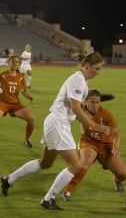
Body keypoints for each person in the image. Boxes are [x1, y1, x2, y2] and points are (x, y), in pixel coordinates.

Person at [1, 52, 111, 211]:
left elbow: (78, 109)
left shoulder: (82, 83)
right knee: (75, 164)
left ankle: (8, 179)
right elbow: (75, 107)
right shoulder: (78, 80)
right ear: (87, 66)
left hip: (55, 121)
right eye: (97, 68)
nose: (98, 71)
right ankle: (48, 199)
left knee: (45, 163)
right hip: (58, 123)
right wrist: (94, 126)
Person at [61, 89, 126, 201]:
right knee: (86, 162)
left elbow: (116, 133)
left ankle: (117, 182)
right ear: (85, 102)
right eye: (92, 102)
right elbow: (68, 104)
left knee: (123, 174)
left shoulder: (106, 113)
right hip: (88, 143)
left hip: (106, 145)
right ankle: (68, 191)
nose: (95, 105)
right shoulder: (80, 110)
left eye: (98, 102)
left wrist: (115, 146)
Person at [0, 55, 34, 147]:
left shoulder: (20, 77)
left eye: (16, 62)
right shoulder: (2, 75)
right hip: (2, 103)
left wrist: (30, 98)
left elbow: (24, 92)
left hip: (15, 104)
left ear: (18, 64)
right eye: (12, 61)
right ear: (8, 63)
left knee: (31, 119)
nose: (14, 63)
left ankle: (26, 140)